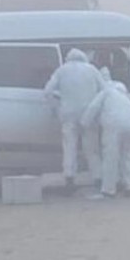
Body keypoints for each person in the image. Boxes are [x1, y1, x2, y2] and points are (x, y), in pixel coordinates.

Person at [44, 48, 105, 193]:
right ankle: (98, 178)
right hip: (89, 115)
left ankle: (69, 179)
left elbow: (47, 91)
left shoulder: (61, 70)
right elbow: (104, 90)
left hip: (68, 114)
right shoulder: (92, 70)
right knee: (92, 148)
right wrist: (96, 108)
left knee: (69, 147)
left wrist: (55, 108)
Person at [81, 79, 130, 199]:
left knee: (110, 157)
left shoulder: (106, 92)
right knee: (127, 155)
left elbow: (93, 107)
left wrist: (84, 123)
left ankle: (108, 190)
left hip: (113, 125)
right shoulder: (125, 97)